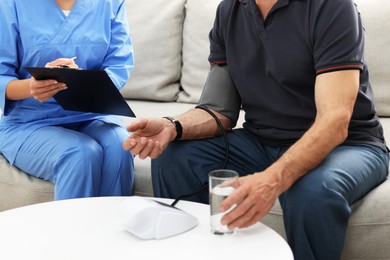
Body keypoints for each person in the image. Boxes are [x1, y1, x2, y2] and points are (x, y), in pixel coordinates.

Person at [123, 0, 389, 259]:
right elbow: (218, 111)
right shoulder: (229, 10)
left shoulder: (330, 7)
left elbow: (335, 121)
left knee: (311, 190)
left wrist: (273, 179)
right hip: (261, 140)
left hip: (348, 145)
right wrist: (173, 126)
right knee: (176, 157)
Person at [0, 0, 135, 200]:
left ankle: (110, 229)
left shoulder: (111, 3)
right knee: (79, 153)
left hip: (92, 114)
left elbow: (119, 65)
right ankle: (69, 231)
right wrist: (32, 87)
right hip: (28, 122)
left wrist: (81, 80)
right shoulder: (11, 4)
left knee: (121, 146)